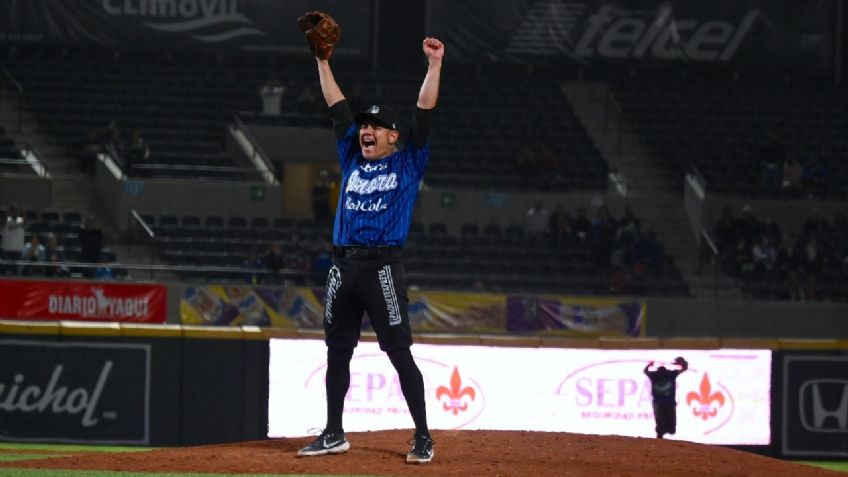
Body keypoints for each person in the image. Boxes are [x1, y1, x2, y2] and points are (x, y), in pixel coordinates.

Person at [295, 35, 444, 465]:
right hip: (343, 267)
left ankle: (422, 436)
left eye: (376, 126)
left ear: (393, 136)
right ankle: (333, 433)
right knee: (337, 352)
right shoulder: (352, 159)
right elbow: (337, 106)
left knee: (398, 353)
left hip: (382, 269)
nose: (366, 130)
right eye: (365, 126)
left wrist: (434, 66)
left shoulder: (407, 162)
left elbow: (424, 112)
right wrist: (322, 60)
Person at [643, 356, 688, 439]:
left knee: (667, 424)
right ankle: (661, 434)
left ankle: (663, 433)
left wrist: (649, 365)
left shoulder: (656, 375)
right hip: (662, 403)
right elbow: (684, 368)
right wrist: (682, 363)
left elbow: (645, 371)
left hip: (665, 402)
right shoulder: (669, 374)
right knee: (661, 422)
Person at [1, 206, 26, 274]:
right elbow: (8, 224)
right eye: (12, 210)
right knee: (4, 269)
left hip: (17, 249)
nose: (14, 212)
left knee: (16, 271)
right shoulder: (6, 220)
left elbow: (22, 222)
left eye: (16, 210)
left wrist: (23, 213)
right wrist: (8, 214)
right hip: (6, 249)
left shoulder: (20, 221)